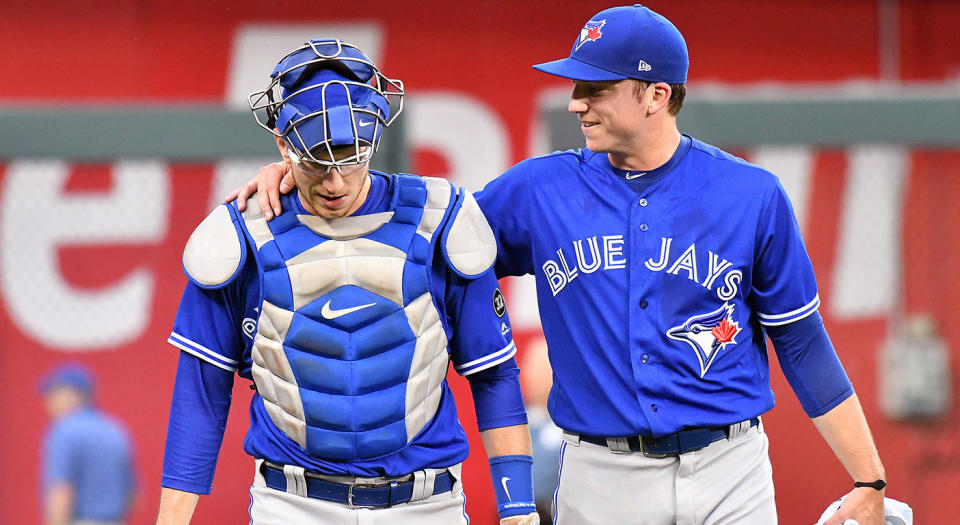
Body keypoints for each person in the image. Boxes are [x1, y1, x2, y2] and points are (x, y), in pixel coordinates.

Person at [231, 7, 888, 524]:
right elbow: (418, 233)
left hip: (731, 465)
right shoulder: (538, 191)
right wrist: (313, 166)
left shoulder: (751, 196)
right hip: (603, 475)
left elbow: (802, 343)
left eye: (596, 86)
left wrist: (868, 477)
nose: (576, 101)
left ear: (657, 93)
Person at [157, 39, 539, 525]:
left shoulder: (440, 222)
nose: (336, 183)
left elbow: (494, 374)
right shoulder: (241, 237)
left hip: (427, 504)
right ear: (282, 143)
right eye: (316, 160)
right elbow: (200, 397)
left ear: (375, 138)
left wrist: (518, 507)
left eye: (351, 157)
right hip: (292, 504)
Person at [40, 363, 137, 525]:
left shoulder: (64, 431)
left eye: (53, 394)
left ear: (70, 395)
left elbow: (61, 491)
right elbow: (132, 496)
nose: (47, 403)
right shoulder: (115, 430)